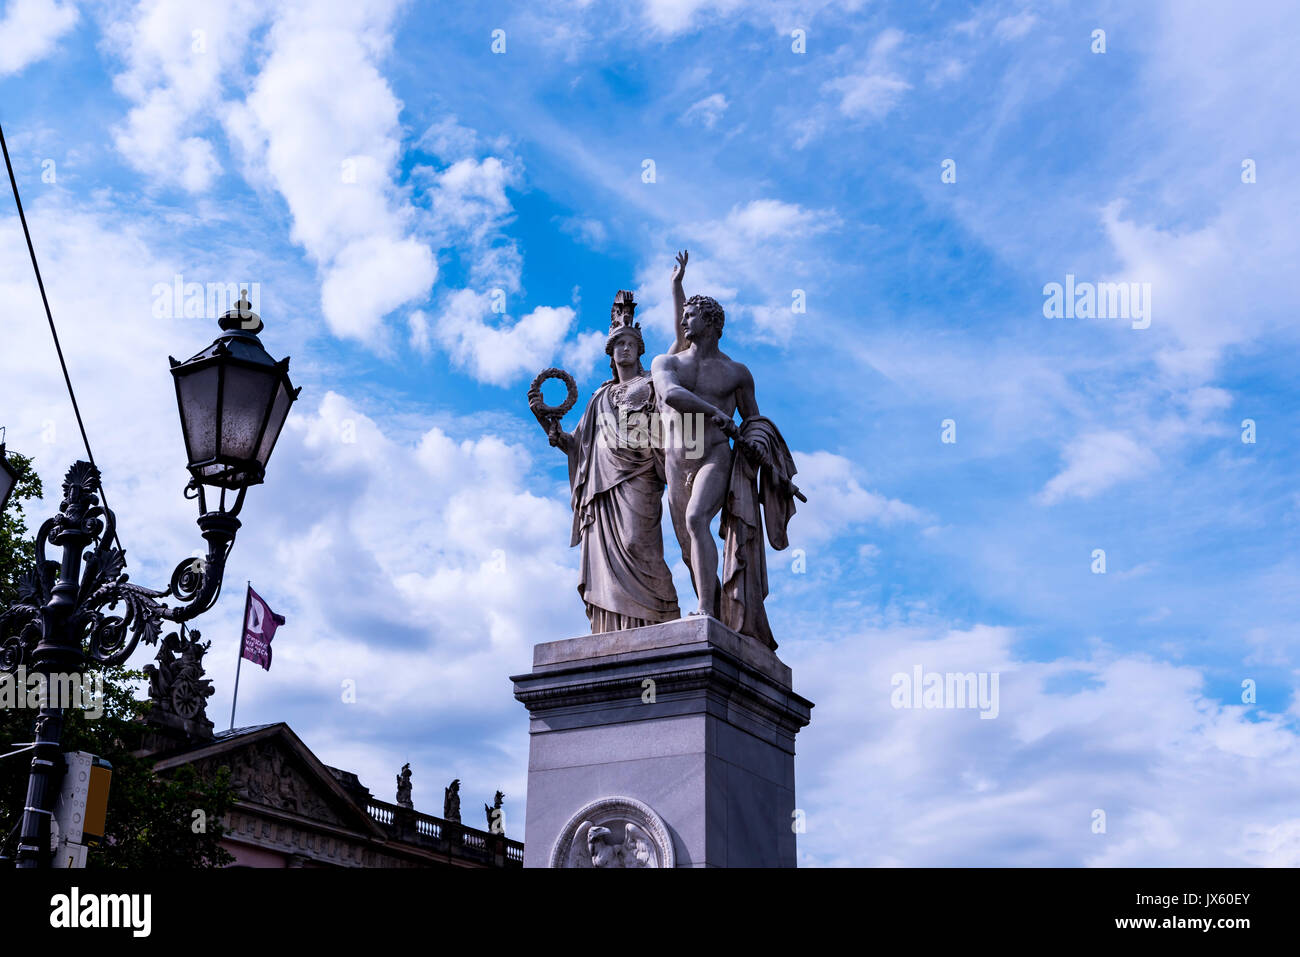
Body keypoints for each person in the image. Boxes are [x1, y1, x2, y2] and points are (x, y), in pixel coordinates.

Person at [534, 291, 680, 632]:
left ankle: (660, 616)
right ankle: (612, 628)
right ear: (611, 353)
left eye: (631, 344)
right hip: (602, 486)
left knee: (635, 542)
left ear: (640, 349)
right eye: (619, 345)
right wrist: (549, 424)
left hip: (640, 473)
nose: (625, 349)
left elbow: (667, 423)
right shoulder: (599, 396)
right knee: (606, 554)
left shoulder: (652, 383)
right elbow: (577, 445)